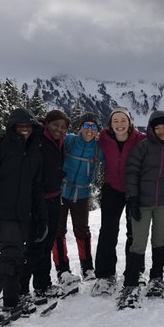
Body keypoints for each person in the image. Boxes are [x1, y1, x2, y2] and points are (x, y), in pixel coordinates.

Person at [0, 109, 69, 302]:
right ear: (45, 124)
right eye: (55, 124)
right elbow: (10, 136)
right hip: (34, 200)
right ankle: (21, 288)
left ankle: (42, 284)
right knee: (33, 247)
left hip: (53, 198)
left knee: (46, 243)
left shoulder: (59, 140)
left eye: (63, 127)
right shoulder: (36, 138)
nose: (59, 129)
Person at [0, 108, 46, 325]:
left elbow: (37, 188)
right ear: (12, 128)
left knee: (16, 256)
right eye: (20, 126)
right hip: (1, 214)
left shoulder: (34, 152)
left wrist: (41, 219)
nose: (24, 130)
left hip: (23, 215)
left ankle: (12, 302)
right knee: (11, 254)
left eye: (28, 127)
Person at [117, 110, 164, 308]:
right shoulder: (142, 147)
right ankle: (131, 283)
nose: (161, 131)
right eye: (157, 127)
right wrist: (132, 199)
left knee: (159, 240)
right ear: (151, 129)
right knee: (138, 243)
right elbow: (132, 172)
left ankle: (157, 278)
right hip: (142, 202)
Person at [92, 107, 146, 296]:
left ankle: (136, 271)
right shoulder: (104, 139)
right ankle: (105, 275)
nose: (120, 124)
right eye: (116, 121)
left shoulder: (141, 140)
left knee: (135, 232)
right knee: (108, 231)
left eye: (123, 120)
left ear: (130, 122)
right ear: (110, 124)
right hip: (112, 189)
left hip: (135, 191)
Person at [54, 113, 103, 283]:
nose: (90, 130)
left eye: (94, 127)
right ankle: (62, 271)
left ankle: (87, 268)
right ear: (80, 127)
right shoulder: (69, 141)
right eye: (86, 126)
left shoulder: (99, 148)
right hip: (61, 192)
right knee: (58, 231)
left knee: (82, 231)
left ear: (98, 130)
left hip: (82, 194)